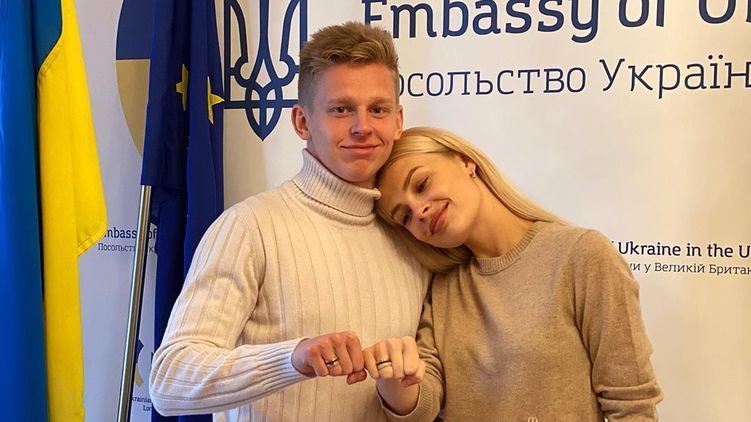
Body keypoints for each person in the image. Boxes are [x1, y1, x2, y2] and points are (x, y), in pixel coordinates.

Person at [148, 23, 430, 422]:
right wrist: (292, 359)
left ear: (398, 121)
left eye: (378, 110)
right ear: (302, 122)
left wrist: (404, 390)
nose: (362, 127)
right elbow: (169, 381)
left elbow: (418, 395)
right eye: (341, 109)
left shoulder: (413, 238)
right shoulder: (249, 228)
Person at [362, 127, 663, 421]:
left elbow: (633, 406)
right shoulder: (443, 287)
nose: (419, 211)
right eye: (405, 216)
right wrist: (394, 380)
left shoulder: (581, 254)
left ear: (465, 161)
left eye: (422, 185)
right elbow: (424, 405)